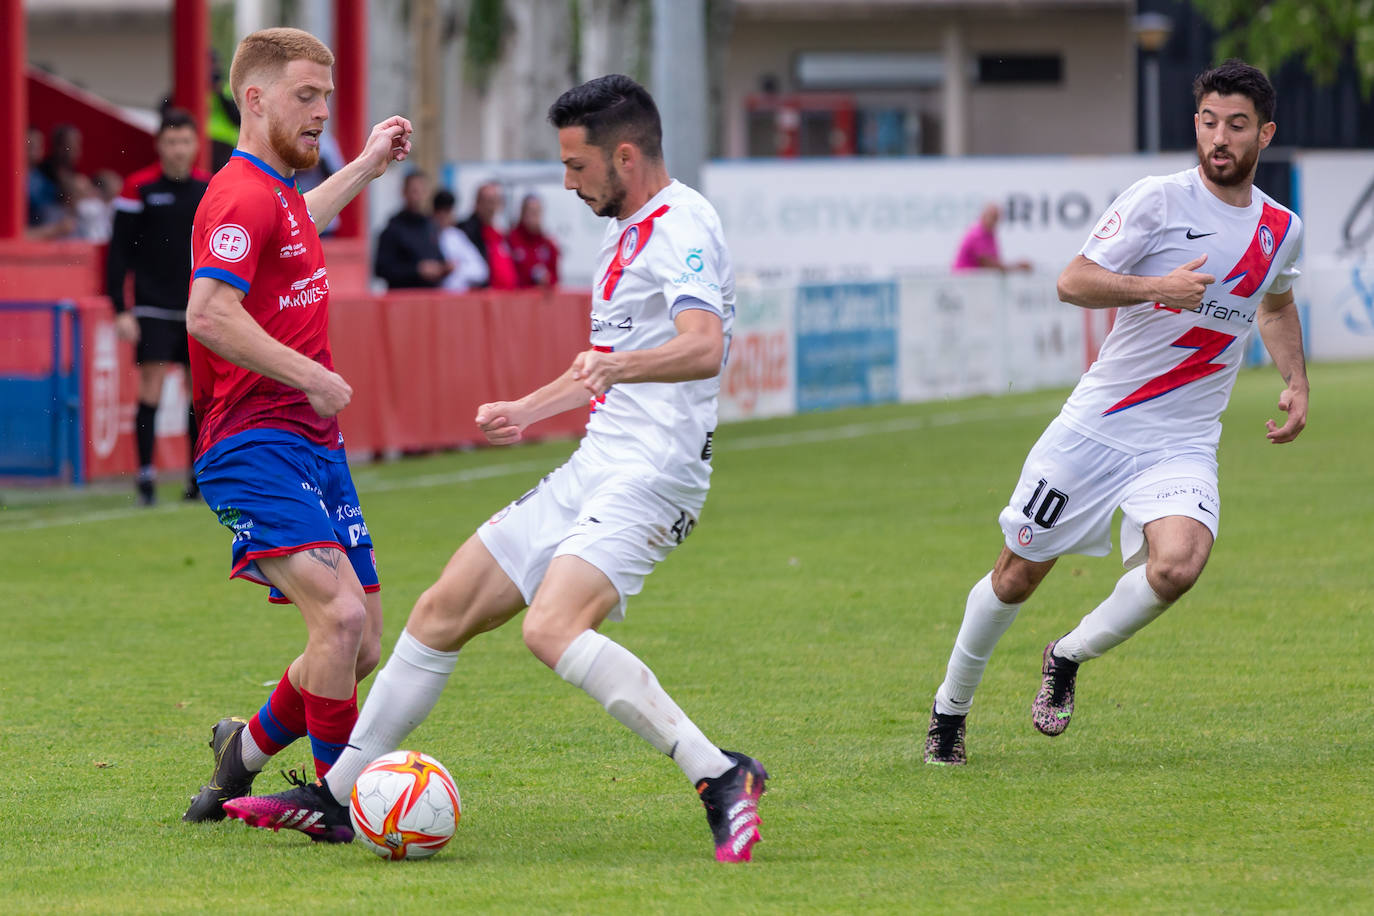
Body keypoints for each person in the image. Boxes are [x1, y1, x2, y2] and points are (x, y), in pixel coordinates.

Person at [224, 74, 770, 864]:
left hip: (652, 474)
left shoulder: (683, 225)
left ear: (625, 155)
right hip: (600, 461)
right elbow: (604, 365)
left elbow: (702, 346)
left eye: (577, 166)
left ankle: (719, 774)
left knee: (550, 629)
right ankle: (336, 797)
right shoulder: (627, 229)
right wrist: (529, 407)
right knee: (441, 609)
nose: (566, 181)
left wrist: (618, 370)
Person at [924, 60, 1308, 766]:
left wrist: (1296, 381)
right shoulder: (1158, 201)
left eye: (1237, 126)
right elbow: (1074, 281)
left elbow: (1276, 303)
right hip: (1099, 426)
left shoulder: (1281, 230)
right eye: (1209, 122)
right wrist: (1156, 286)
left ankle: (1067, 656)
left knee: (1179, 566)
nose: (1220, 138)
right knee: (1016, 575)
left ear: (1265, 134)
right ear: (1196, 125)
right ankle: (950, 710)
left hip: (1183, 438)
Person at [177, 26, 413, 825]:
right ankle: (333, 803)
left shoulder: (274, 191)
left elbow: (299, 222)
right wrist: (309, 373)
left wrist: (368, 164)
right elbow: (209, 314)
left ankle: (240, 754)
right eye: (305, 97)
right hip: (252, 442)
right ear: (255, 98)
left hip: (311, 445)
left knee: (361, 640)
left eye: (326, 98)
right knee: (339, 619)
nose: (320, 113)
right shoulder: (240, 193)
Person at [105, 109, 210, 505]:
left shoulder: (209, 188)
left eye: (184, 141)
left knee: (197, 394)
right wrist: (120, 307)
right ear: (159, 145)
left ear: (195, 145)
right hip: (151, 307)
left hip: (197, 308)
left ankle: (195, 477)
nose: (178, 149)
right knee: (150, 389)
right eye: (170, 142)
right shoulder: (139, 188)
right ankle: (146, 478)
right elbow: (117, 254)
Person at [374, 170, 450, 289]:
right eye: (414, 191)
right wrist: (416, 270)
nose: (419, 197)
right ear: (404, 193)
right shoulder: (393, 229)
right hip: (403, 300)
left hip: (430, 299)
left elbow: (438, 257)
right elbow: (381, 269)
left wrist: (444, 268)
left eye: (423, 191)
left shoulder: (430, 225)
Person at [458, 180, 518, 289]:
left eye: (494, 201)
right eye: (487, 201)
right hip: (483, 298)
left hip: (506, 298)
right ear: (477, 203)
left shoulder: (501, 233)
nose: (491, 207)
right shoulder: (467, 232)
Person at [432, 188, 489, 292]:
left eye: (447, 211)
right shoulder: (427, 234)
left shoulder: (456, 236)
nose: (444, 216)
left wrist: (457, 268)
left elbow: (481, 270)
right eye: (440, 211)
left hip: (457, 299)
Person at [951, 202, 1031, 273]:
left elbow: (995, 262)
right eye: (993, 217)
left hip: (975, 283)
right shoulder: (977, 234)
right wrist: (1017, 267)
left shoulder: (990, 235)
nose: (995, 221)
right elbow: (988, 264)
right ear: (983, 215)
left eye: (997, 218)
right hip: (964, 281)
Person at [508, 193, 560, 288]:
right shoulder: (511, 239)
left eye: (536, 213)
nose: (533, 217)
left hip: (540, 299)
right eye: (530, 212)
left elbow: (555, 278)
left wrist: (547, 279)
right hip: (518, 297)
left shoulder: (547, 243)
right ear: (522, 213)